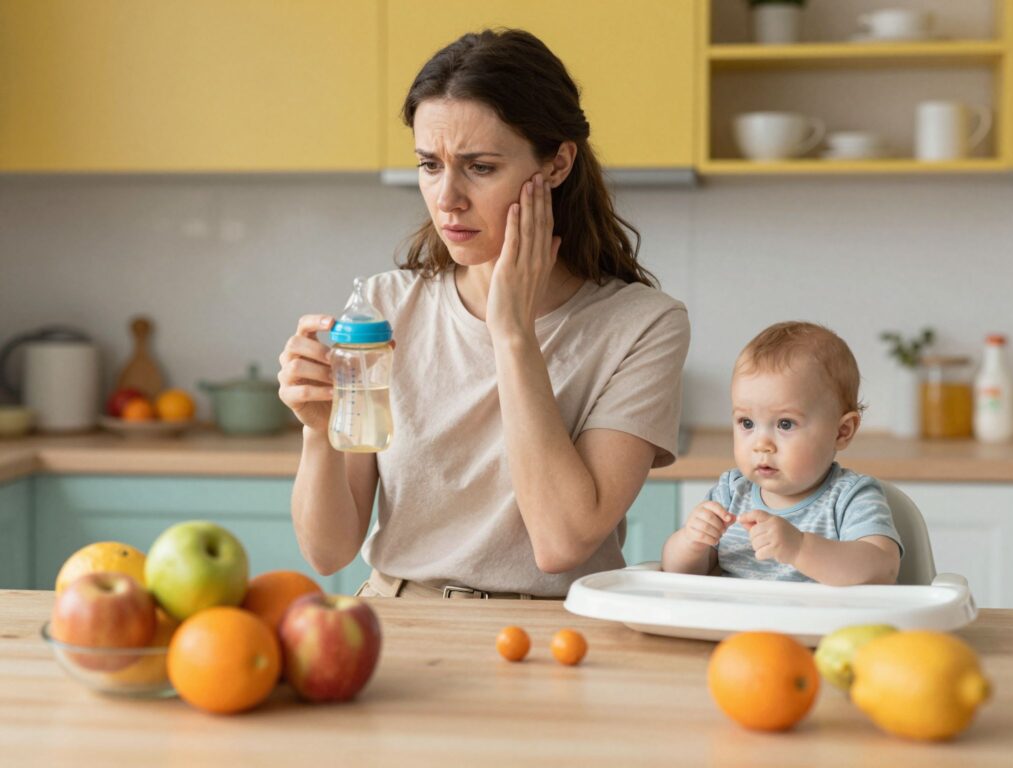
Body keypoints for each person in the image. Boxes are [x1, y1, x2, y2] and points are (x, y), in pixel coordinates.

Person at [278, 29, 690, 599]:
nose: (447, 197)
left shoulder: (643, 326)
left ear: (557, 164)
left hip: (555, 635)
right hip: (399, 619)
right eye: (429, 164)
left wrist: (514, 334)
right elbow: (328, 552)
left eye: (480, 167)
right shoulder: (385, 307)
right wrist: (319, 432)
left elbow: (561, 542)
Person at [662, 322, 902, 585]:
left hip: (819, 625)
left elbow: (882, 570)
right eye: (747, 423)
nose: (761, 444)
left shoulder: (850, 497)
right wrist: (691, 541)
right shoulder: (730, 493)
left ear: (841, 432)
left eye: (785, 424)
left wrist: (800, 548)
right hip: (736, 623)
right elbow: (678, 574)